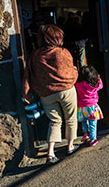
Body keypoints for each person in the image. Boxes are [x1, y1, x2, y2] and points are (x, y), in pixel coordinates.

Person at [23, 24, 79, 164]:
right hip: (66, 91)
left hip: (46, 93)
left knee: (55, 121)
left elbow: (32, 74)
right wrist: (75, 72)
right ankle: (70, 146)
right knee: (71, 118)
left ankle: (50, 153)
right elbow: (70, 71)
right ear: (57, 37)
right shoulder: (62, 52)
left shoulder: (36, 55)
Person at [75, 65, 104, 147]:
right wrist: (98, 78)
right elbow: (101, 85)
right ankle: (93, 139)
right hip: (92, 107)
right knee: (92, 123)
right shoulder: (95, 85)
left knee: (84, 120)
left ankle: (85, 134)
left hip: (82, 107)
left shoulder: (78, 84)